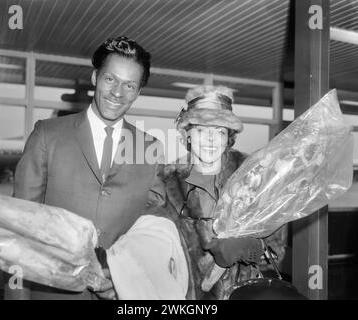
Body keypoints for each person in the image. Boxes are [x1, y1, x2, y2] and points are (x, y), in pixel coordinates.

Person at [10, 36, 165, 300]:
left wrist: (127, 278)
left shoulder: (150, 148)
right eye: (110, 79)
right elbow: (20, 228)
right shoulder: (48, 135)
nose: (118, 92)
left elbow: (152, 230)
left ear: (139, 91)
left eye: (129, 85)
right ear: (95, 77)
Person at [106, 85, 285, 300]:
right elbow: (147, 246)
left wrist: (251, 247)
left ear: (228, 136)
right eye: (201, 130)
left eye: (219, 131)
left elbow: (276, 250)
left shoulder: (252, 176)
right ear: (187, 134)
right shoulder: (164, 181)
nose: (210, 139)